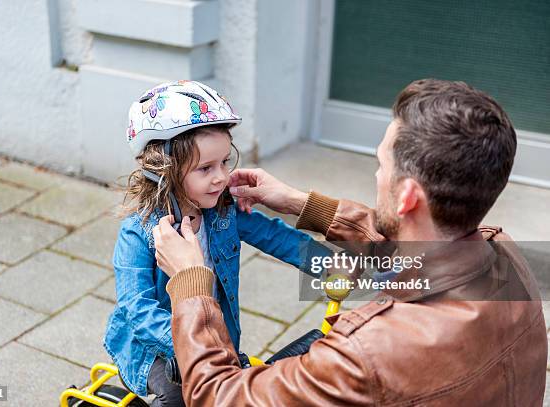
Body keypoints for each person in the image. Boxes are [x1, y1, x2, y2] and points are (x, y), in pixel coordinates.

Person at [152, 79, 548, 405]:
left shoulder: (365, 353)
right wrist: (300, 203)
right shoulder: (506, 256)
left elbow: (218, 397)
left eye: (381, 165)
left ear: (408, 196)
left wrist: (191, 286)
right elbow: (414, 248)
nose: (378, 177)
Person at [103, 80, 320, 406]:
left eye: (223, 163)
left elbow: (278, 236)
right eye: (205, 168)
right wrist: (196, 345)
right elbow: (138, 311)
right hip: (153, 351)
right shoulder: (139, 233)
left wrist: (332, 265)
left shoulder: (223, 213)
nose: (221, 177)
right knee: (181, 395)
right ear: (166, 173)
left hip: (211, 339)